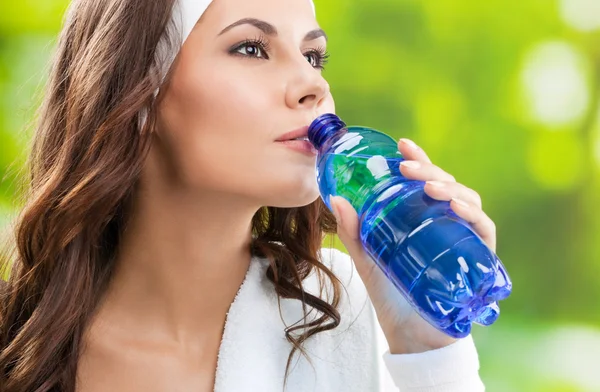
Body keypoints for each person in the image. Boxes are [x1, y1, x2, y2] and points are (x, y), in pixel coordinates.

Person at [0, 0, 498, 390]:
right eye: (252, 49)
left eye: (314, 56)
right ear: (138, 98)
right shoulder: (20, 343)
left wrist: (429, 354)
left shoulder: (348, 315)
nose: (312, 84)